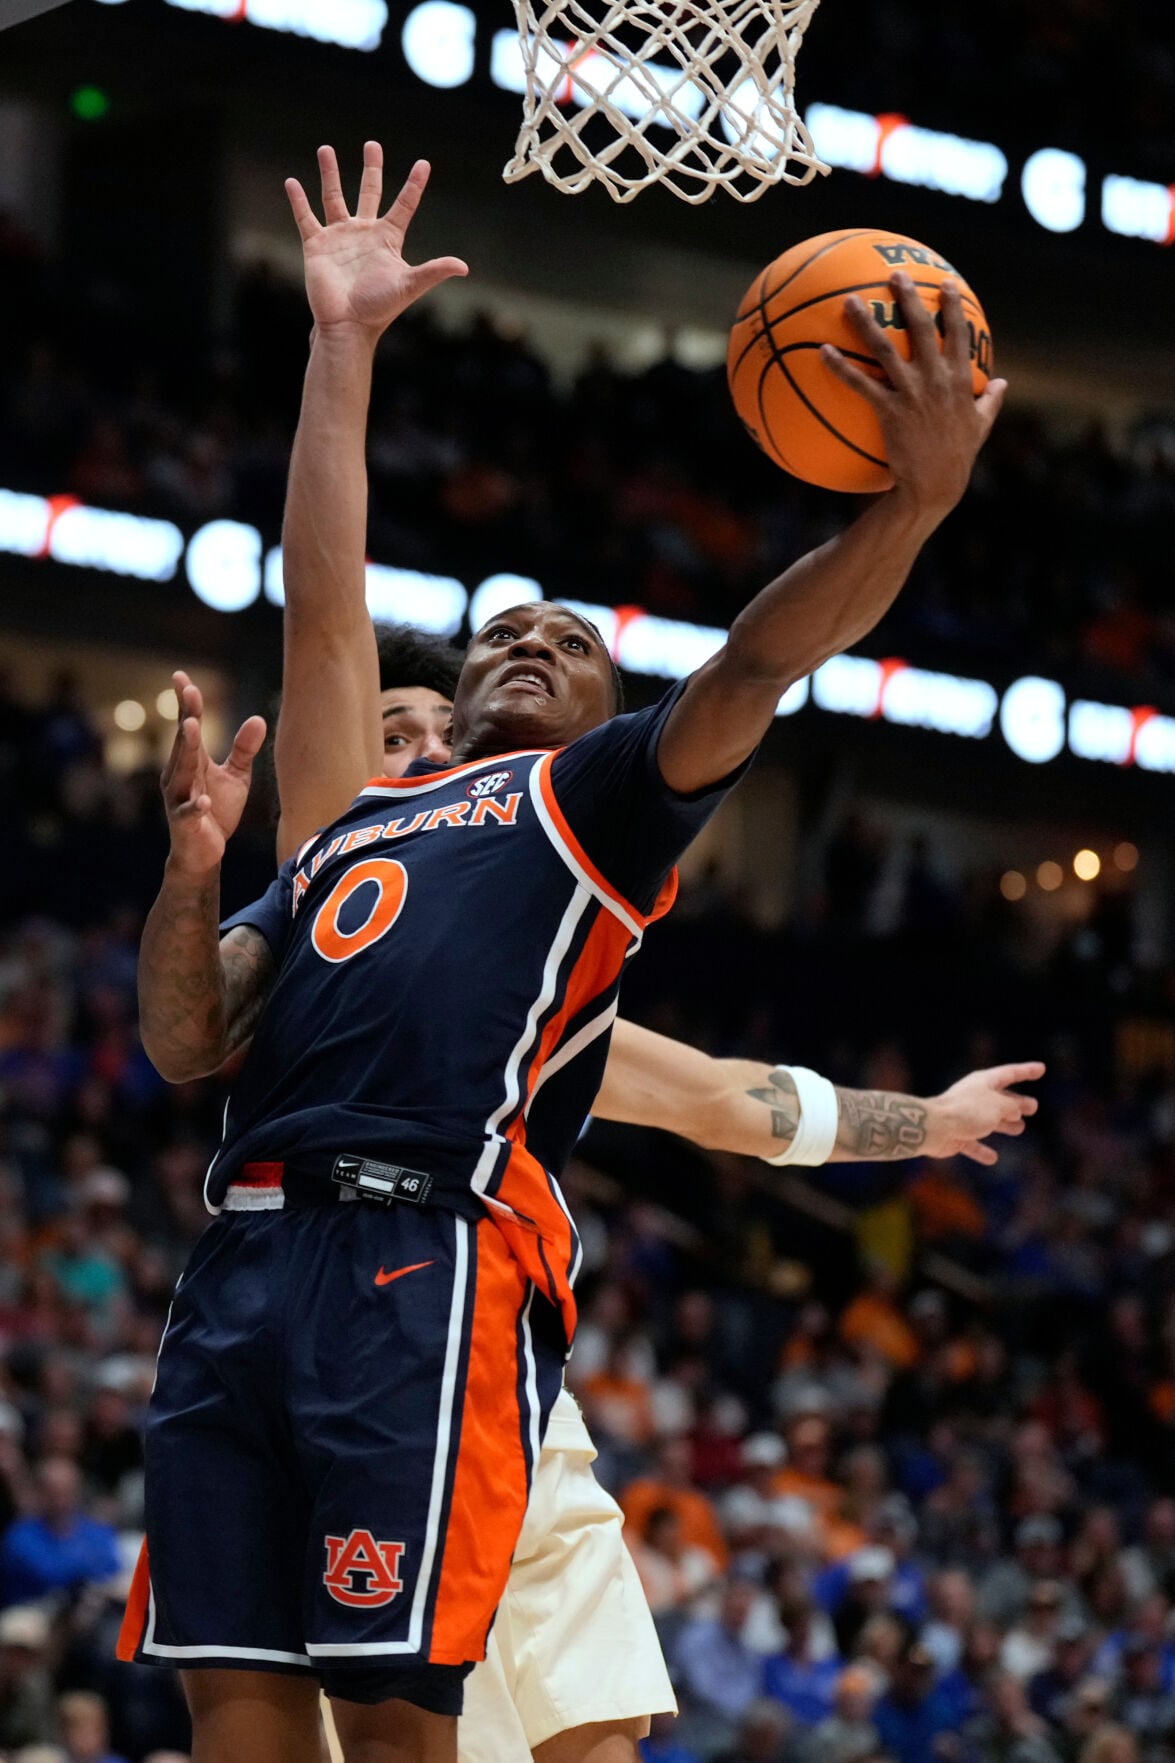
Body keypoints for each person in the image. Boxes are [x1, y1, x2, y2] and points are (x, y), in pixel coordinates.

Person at [124, 141, 1006, 1763]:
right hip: (246, 1267)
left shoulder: (578, 817)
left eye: (579, 641)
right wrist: (341, 345)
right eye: (503, 628)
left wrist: (913, 502)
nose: (535, 631)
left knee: (515, 1732)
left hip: (444, 1290)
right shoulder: (340, 833)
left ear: (607, 722)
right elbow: (324, 607)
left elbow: (753, 673)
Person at [305, 633, 1041, 1763]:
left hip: (508, 1373)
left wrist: (931, 1120)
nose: (418, 754)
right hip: (345, 1354)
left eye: (434, 736)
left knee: (598, 1732)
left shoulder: (531, 951)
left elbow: (719, 1096)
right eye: (386, 738)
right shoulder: (301, 923)